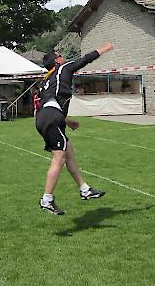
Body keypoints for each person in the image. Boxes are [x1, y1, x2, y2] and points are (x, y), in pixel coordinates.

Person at [36, 42, 113, 215]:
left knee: (68, 152)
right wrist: (104, 49)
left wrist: (67, 121)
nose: (63, 56)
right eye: (60, 55)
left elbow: (49, 102)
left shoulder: (47, 79)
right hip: (51, 117)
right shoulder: (62, 69)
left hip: (46, 117)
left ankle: (85, 189)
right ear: (57, 61)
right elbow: (84, 59)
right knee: (59, 158)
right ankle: (46, 199)